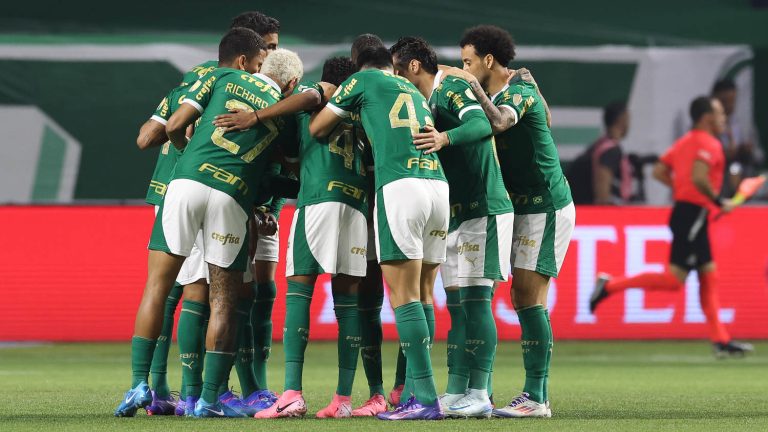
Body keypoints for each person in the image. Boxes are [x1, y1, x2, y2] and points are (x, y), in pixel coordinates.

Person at [310, 46, 448, 421]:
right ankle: (416, 392)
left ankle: (426, 398)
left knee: (402, 293)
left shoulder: (361, 80)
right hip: (437, 185)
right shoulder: (411, 89)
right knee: (423, 292)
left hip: (401, 186)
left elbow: (317, 127)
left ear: (358, 64)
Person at [445, 24, 575, 418]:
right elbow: (545, 120)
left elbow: (500, 121)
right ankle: (533, 395)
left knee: (528, 296)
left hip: (547, 204)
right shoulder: (518, 88)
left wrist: (469, 83)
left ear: (488, 60)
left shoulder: (518, 91)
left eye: (468, 62)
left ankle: (536, 397)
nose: (464, 68)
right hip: (520, 206)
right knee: (522, 297)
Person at [389, 36, 514, 419]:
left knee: (477, 303)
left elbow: (481, 124)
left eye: (397, 70)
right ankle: (458, 389)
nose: (395, 79)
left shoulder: (452, 86)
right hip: (456, 212)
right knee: (458, 308)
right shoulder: (422, 103)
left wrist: (445, 137)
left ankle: (480, 391)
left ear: (413, 67)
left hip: (485, 208)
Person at [245, 56, 369, 419]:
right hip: (357, 205)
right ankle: (343, 400)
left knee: (299, 291)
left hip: (317, 201)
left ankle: (292, 394)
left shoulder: (306, 101)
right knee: (347, 302)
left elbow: (286, 154)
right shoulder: (363, 112)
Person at [590, 96, 755, 358]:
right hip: (693, 215)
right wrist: (715, 200)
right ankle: (609, 285)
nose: (724, 119)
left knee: (708, 276)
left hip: (689, 213)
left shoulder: (684, 142)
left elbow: (658, 171)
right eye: (720, 113)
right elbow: (700, 178)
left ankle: (721, 340)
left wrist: (682, 189)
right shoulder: (709, 144)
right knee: (674, 280)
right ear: (706, 117)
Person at [711, 78, 764, 197]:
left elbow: (759, 155)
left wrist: (749, 151)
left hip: (744, 175)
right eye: (724, 101)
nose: (729, 106)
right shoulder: (708, 126)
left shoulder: (745, 124)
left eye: (732, 101)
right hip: (719, 179)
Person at [591, 101, 633, 204]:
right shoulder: (610, 150)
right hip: (606, 214)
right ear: (621, 119)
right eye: (628, 119)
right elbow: (602, 192)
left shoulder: (601, 145)